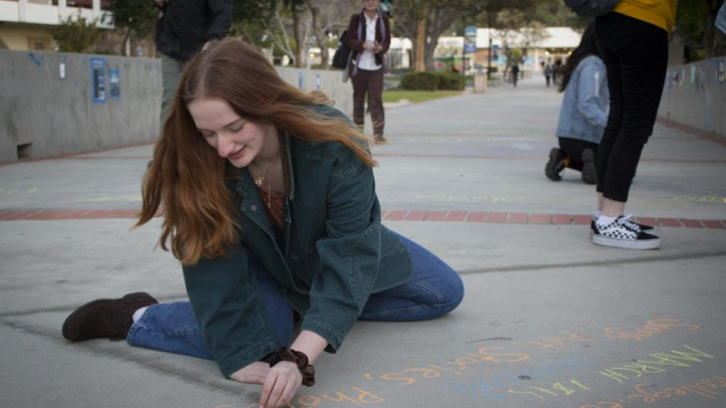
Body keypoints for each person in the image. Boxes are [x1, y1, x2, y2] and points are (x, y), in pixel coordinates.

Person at [61, 39, 464, 408]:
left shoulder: (334, 145)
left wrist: (301, 351)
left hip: (333, 250)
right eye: (208, 133)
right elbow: (210, 261)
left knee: (441, 293)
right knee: (261, 342)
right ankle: (138, 316)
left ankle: (304, 311)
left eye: (235, 127)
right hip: (261, 262)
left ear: (266, 103)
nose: (223, 146)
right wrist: (238, 352)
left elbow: (349, 257)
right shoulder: (202, 162)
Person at [591, 0, 678, 250]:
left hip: (610, 20)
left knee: (619, 120)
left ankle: (603, 214)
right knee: (635, 124)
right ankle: (611, 219)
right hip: (644, 19)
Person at [154, 0, 232, 133]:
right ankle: (167, 148)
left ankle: (203, 144)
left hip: (199, 51)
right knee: (170, 100)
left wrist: (213, 40)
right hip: (170, 46)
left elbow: (223, 11)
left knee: (199, 99)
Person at [545, 23, 607, 185]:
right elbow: (587, 104)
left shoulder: (580, 61)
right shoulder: (593, 64)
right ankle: (590, 158)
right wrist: (610, 124)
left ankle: (564, 159)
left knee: (605, 164)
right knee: (618, 166)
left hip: (566, 139)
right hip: (585, 137)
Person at [346, 0, 391, 142]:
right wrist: (362, 44)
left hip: (376, 66)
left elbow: (387, 41)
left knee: (375, 99)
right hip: (359, 66)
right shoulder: (356, 18)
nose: (370, 2)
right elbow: (349, 40)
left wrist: (380, 48)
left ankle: (378, 133)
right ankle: (358, 133)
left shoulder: (383, 18)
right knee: (358, 99)